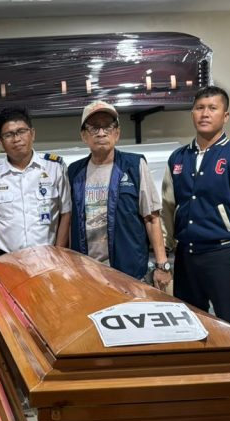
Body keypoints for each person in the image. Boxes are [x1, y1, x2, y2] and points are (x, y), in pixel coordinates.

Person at [162, 86, 230, 331]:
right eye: (199, 108)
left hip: (224, 255)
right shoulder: (177, 158)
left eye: (212, 108)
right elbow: (167, 208)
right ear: (192, 114)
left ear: (225, 116)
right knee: (188, 326)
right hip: (186, 257)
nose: (205, 114)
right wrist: (164, 255)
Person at [68, 100, 170, 289]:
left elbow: (151, 218)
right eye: (94, 128)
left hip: (129, 273)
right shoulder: (74, 172)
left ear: (117, 132)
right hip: (87, 274)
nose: (101, 133)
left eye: (107, 126)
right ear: (84, 136)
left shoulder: (135, 165)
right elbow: (68, 222)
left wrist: (162, 265)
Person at [0, 107, 71, 260]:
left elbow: (66, 214)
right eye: (8, 135)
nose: (16, 139)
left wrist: (59, 256)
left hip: (48, 258)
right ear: (1, 142)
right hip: (7, 261)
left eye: (21, 131)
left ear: (32, 133)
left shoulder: (55, 168)